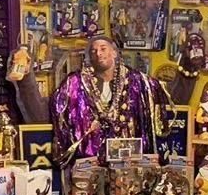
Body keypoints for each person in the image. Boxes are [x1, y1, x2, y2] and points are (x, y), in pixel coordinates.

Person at [50, 36, 171, 167]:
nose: (98, 53)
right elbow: (58, 106)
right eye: (93, 51)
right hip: (91, 161)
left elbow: (160, 96)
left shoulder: (137, 81)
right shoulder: (75, 83)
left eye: (103, 49)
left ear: (114, 53)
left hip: (128, 160)